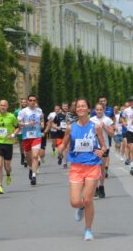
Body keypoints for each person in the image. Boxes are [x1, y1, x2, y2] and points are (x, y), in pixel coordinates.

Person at [57, 99, 106, 241]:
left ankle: (88, 230)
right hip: (76, 167)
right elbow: (64, 143)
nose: (81, 108)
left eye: (83, 106)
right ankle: (81, 207)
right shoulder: (70, 127)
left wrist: (101, 151)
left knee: (88, 199)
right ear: (76, 110)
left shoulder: (95, 127)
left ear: (88, 109)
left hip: (92, 165)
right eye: (78, 106)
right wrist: (60, 149)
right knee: (75, 202)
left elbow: (103, 146)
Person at [0, 100, 19, 194]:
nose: (3, 107)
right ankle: (0, 186)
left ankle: (8, 174)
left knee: (7, 166)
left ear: (7, 107)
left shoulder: (11, 116)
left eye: (4, 105)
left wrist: (13, 135)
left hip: (8, 143)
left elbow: (18, 127)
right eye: (1, 105)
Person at [18, 94, 44, 186]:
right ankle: (30, 168)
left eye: (34, 100)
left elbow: (41, 119)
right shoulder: (23, 111)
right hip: (26, 137)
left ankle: (34, 176)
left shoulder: (39, 110)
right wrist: (28, 124)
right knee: (29, 158)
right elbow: (19, 124)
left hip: (36, 136)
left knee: (35, 156)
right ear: (28, 101)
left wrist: (42, 124)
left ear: (36, 101)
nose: (32, 102)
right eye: (31, 100)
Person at [90, 103, 114, 198]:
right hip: (95, 147)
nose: (99, 111)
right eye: (97, 109)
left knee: (102, 168)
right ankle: (95, 188)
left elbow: (112, 134)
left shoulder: (107, 120)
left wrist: (104, 127)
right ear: (95, 110)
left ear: (103, 110)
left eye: (100, 109)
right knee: (95, 167)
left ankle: (101, 186)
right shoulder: (91, 120)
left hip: (105, 147)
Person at [53, 102, 69, 168]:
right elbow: (52, 124)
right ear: (62, 107)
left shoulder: (70, 115)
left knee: (66, 149)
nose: (65, 107)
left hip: (67, 135)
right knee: (60, 150)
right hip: (59, 135)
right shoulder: (58, 115)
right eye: (64, 106)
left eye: (66, 106)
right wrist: (57, 127)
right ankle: (60, 156)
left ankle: (65, 163)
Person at [14, 98, 28, 166]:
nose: (24, 103)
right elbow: (15, 121)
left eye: (25, 102)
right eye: (22, 102)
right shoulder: (17, 111)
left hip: (28, 129)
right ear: (21, 103)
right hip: (20, 129)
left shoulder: (29, 110)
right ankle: (22, 156)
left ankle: (26, 157)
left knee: (27, 144)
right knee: (21, 145)